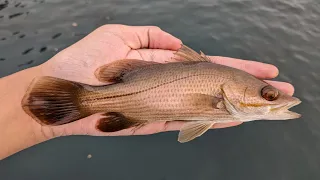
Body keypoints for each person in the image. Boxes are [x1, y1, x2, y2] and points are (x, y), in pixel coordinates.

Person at [0, 24, 294, 160]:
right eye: (268, 95)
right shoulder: (219, 94)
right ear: (231, 91)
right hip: (123, 94)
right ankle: (81, 99)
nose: (276, 99)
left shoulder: (226, 90)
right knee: (86, 98)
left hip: (136, 105)